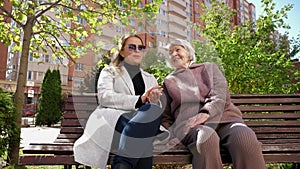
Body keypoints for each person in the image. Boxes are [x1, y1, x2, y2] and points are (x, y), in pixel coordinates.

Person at [161, 39, 266, 169]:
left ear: (188, 52)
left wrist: (206, 113)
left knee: (244, 137)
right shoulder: (168, 81)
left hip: (225, 119)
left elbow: (220, 95)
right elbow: (166, 116)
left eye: (178, 49)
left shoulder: (209, 68)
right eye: (170, 52)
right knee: (206, 137)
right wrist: (173, 135)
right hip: (191, 126)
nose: (174, 54)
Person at [73, 34, 166, 169]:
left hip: (139, 128)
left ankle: (122, 164)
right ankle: (122, 164)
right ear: (122, 51)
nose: (137, 50)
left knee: (151, 112)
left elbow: (153, 110)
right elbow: (105, 97)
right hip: (114, 125)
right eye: (132, 47)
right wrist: (139, 100)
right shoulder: (109, 71)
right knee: (142, 138)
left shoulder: (149, 78)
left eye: (141, 47)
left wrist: (154, 102)